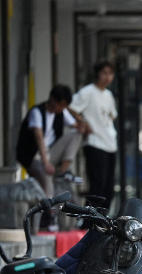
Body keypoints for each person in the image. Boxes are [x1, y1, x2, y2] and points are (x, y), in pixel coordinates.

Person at [16, 84, 84, 200]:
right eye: (60, 105)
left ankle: (62, 171)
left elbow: (77, 125)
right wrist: (46, 162)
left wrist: (77, 118)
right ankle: (49, 211)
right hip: (34, 156)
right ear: (52, 99)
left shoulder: (62, 112)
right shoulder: (37, 112)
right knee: (46, 178)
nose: (61, 108)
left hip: (50, 152)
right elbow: (39, 137)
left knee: (75, 133)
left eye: (64, 106)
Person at [69, 60, 118, 211]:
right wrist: (83, 121)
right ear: (98, 74)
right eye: (104, 73)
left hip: (110, 143)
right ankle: (90, 219)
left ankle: (103, 218)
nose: (107, 77)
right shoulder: (88, 91)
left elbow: (113, 115)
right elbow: (70, 106)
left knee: (109, 187)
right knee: (98, 184)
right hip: (95, 142)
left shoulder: (108, 95)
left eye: (110, 73)